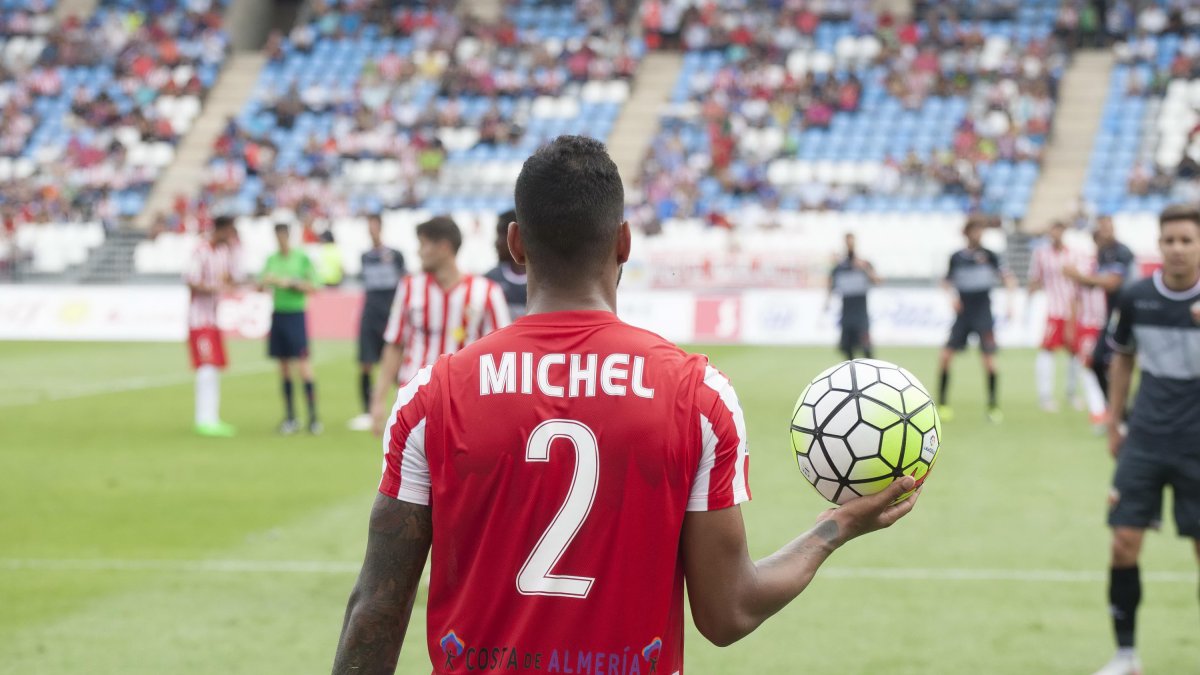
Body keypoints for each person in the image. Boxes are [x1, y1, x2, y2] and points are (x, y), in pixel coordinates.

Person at [332, 136, 921, 674]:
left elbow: (374, 615)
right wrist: (833, 529)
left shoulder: (432, 396)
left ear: (515, 244)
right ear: (624, 241)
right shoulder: (696, 394)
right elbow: (728, 613)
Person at [1092, 204, 1200, 675]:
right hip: (1147, 439)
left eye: (1187, 240)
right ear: (1158, 245)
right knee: (1123, 545)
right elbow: (1122, 360)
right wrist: (1115, 422)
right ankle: (1126, 655)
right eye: (1169, 240)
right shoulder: (1135, 297)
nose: (1177, 249)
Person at [368, 216, 510, 435]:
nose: (419, 252)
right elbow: (394, 344)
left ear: (443, 247)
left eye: (423, 244)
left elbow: (502, 354)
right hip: (413, 401)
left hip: (466, 402)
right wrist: (378, 400)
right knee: (410, 469)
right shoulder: (409, 287)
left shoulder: (487, 292)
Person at [937, 217, 1017, 423]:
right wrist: (952, 298)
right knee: (945, 357)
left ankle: (992, 406)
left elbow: (1008, 279)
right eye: (975, 230)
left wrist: (1010, 303)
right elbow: (945, 282)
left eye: (981, 230)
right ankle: (943, 404)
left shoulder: (990, 256)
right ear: (967, 232)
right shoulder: (956, 257)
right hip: (963, 315)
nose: (978, 234)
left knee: (990, 362)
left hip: (983, 314)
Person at [260, 223, 322, 435]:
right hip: (278, 315)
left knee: (304, 367)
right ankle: (290, 417)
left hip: (296, 316)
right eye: (277, 237)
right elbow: (260, 284)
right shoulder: (271, 259)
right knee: (284, 368)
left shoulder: (301, 258)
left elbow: (314, 286)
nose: (280, 241)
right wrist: (266, 282)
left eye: (283, 237)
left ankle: (313, 418)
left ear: (288, 236)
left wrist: (291, 283)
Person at [1065, 216, 1136, 400]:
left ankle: (1120, 409)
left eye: (1108, 227)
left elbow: (1112, 283)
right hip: (1112, 314)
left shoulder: (1123, 252)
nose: (1106, 231)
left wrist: (1078, 276)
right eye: (1102, 227)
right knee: (1097, 362)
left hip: (1129, 314)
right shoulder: (1103, 254)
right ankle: (1115, 410)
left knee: (1118, 362)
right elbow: (1094, 282)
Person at [348, 214, 406, 431]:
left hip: (390, 315)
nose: (371, 231)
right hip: (370, 314)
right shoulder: (365, 257)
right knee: (365, 363)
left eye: (373, 226)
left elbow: (403, 282)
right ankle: (366, 411)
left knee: (394, 365)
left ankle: (402, 406)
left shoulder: (395, 255)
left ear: (380, 228)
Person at [184, 215, 240, 437]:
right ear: (221, 229)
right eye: (229, 232)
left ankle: (212, 417)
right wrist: (214, 288)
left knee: (214, 367)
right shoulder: (200, 251)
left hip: (214, 320)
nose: (232, 237)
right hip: (200, 319)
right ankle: (203, 419)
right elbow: (190, 280)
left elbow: (230, 279)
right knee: (206, 368)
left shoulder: (224, 253)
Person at [1027, 220, 1081, 412]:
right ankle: (1045, 396)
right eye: (1053, 230)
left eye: (1059, 230)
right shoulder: (1041, 254)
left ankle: (1071, 393)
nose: (1056, 233)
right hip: (1052, 310)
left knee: (1075, 352)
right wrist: (1029, 303)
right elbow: (1035, 279)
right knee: (1047, 351)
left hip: (1071, 310)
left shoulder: (1073, 254)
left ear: (1064, 231)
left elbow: (1078, 283)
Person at [825, 232, 879, 360]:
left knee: (867, 349)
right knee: (846, 349)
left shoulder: (864, 264)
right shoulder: (839, 267)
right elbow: (831, 285)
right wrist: (826, 303)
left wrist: (864, 269)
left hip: (861, 316)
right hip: (847, 315)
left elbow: (877, 281)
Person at [484, 208, 528, 319]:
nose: (496, 243)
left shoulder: (544, 281)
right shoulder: (489, 279)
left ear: (515, 237)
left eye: (500, 235)